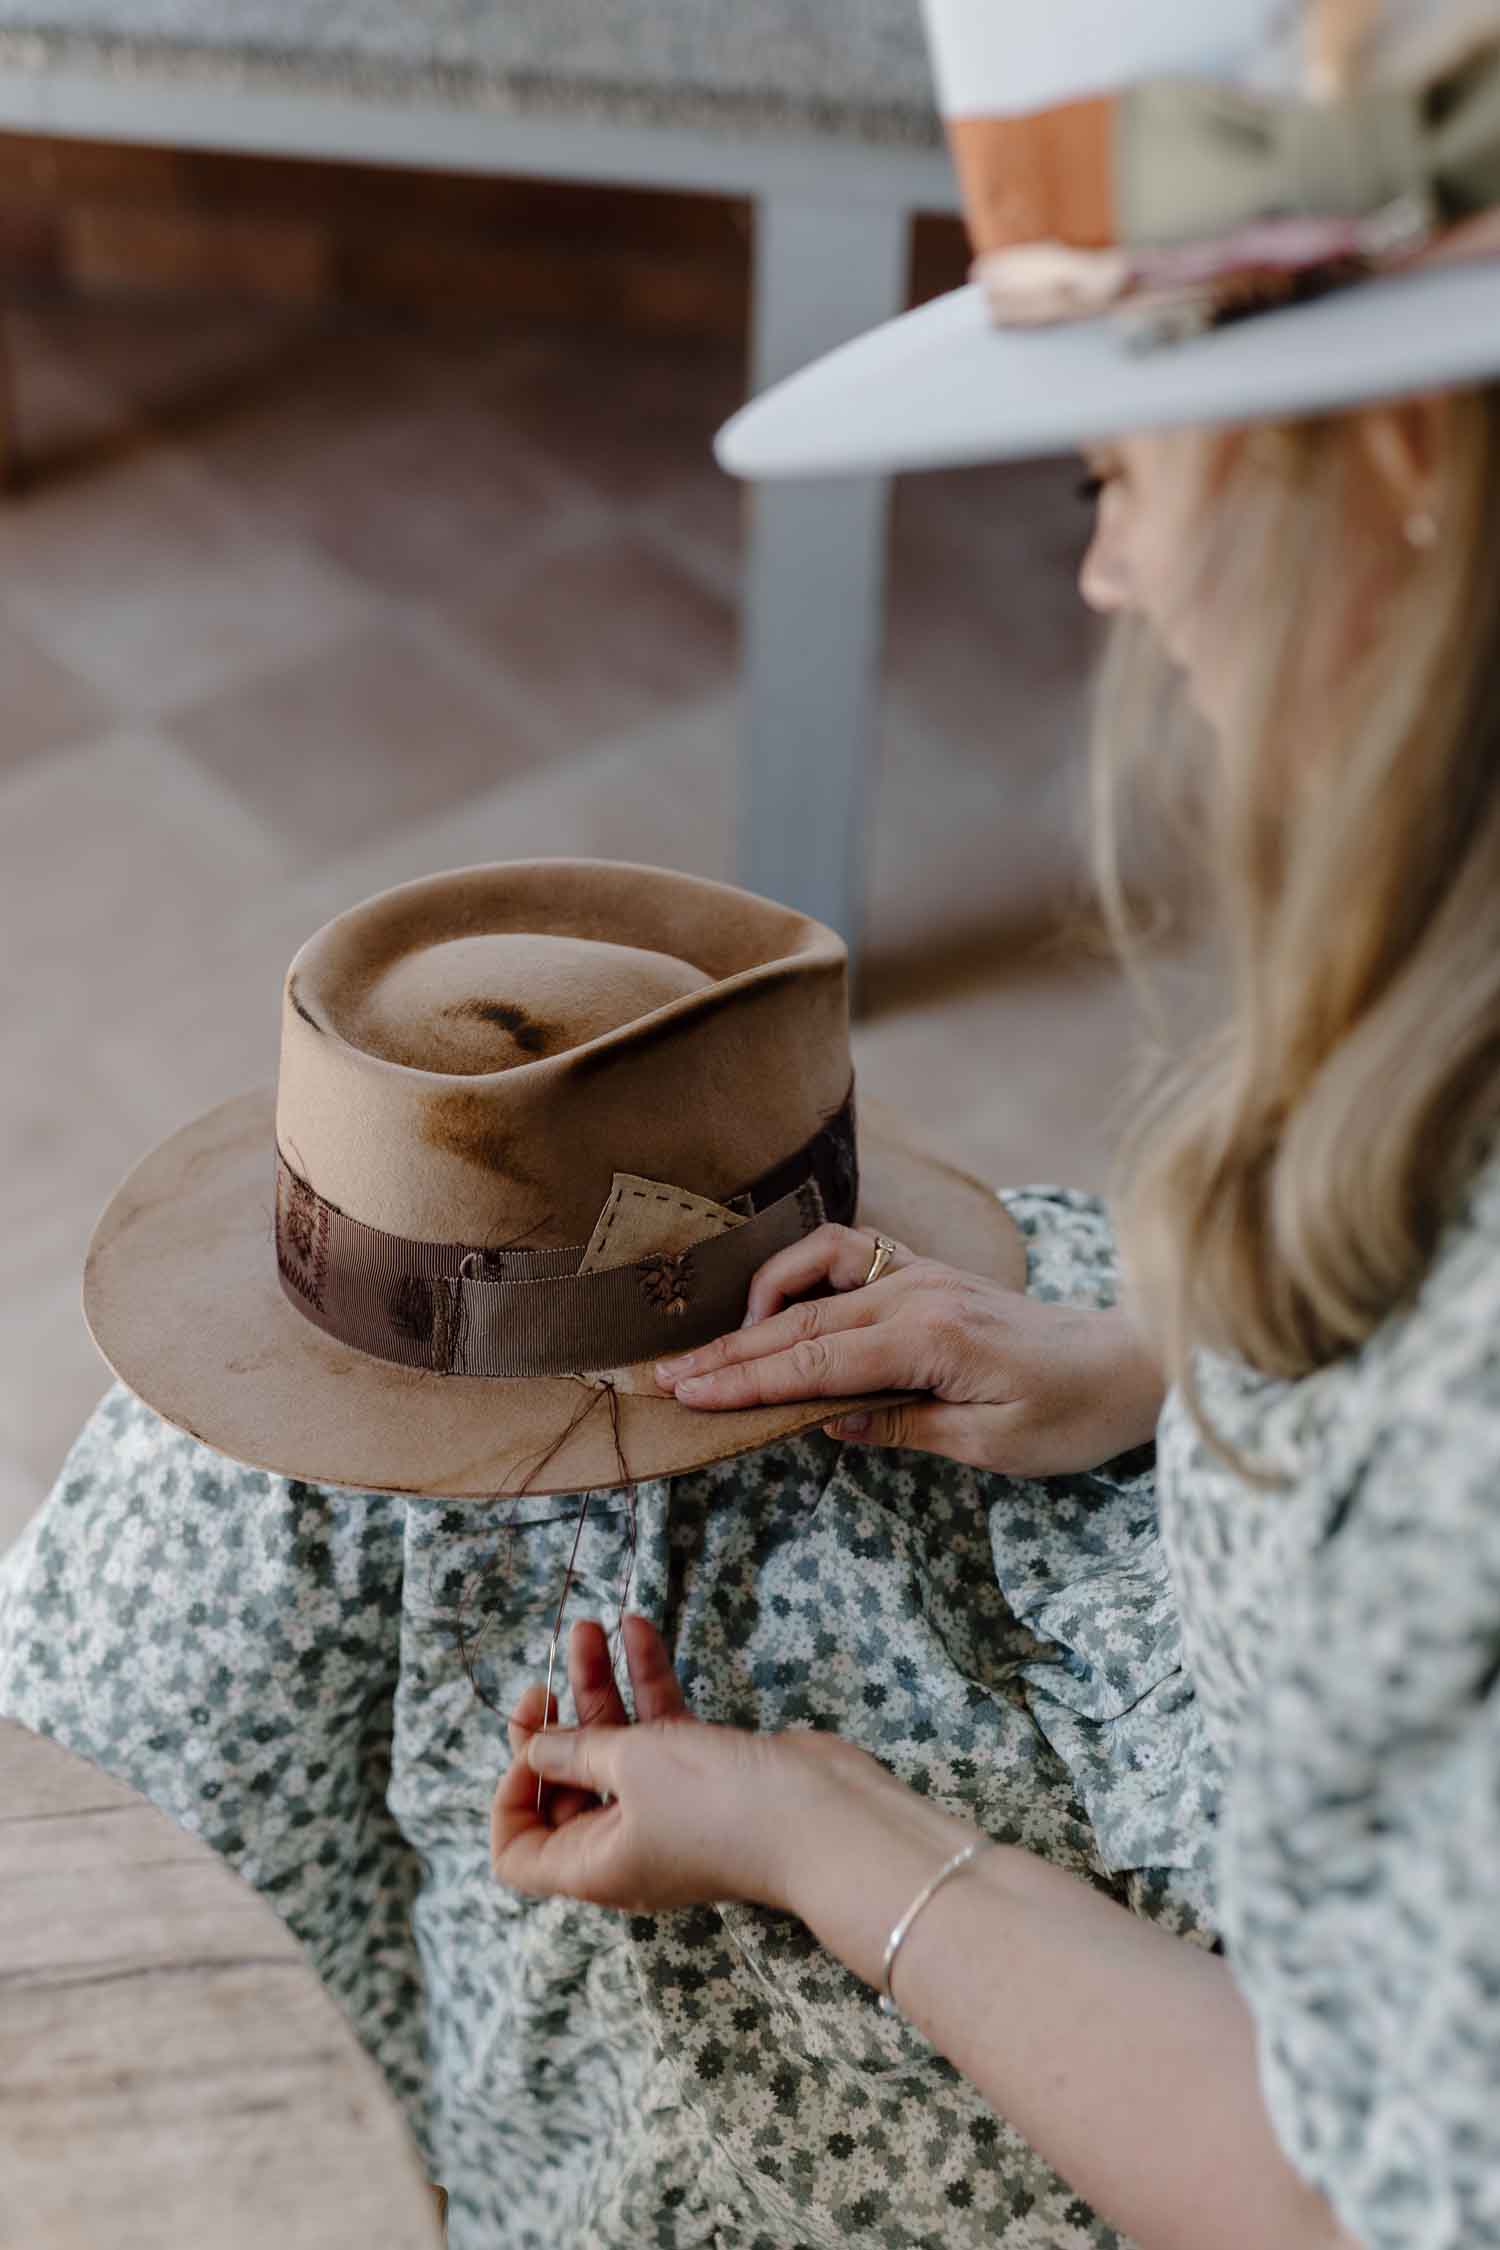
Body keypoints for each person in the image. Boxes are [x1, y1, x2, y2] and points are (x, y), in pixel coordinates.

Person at [5, 7, 1500, 2250]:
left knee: (515, 1633)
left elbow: (1360, 2193)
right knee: (276, 1443)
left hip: (1185, 2008)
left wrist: (818, 1831)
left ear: (1382, 454)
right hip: (1214, 1565)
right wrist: (1141, 1377)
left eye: (1118, 474)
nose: (1104, 575)